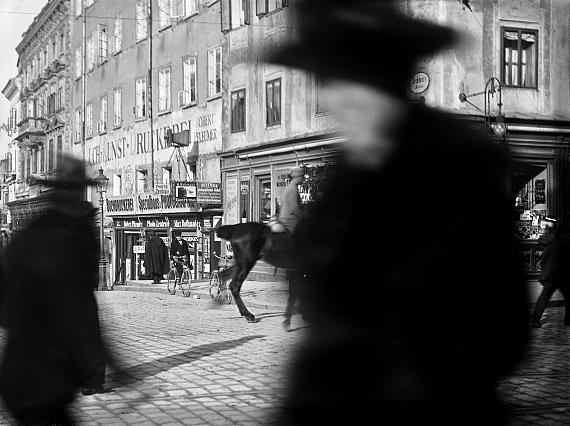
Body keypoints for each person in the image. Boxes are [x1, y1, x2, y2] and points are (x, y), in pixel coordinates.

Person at [265, 1, 529, 425]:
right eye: (325, 80)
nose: (330, 97)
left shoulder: (459, 163)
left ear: (386, 77)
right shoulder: (349, 171)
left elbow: (499, 329)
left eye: (343, 80)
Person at [0, 154, 108, 424]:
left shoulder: (27, 235)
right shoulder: (70, 240)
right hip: (46, 379)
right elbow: (80, 311)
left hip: (19, 373)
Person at [530, 217, 570, 327]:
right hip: (559, 273)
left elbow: (542, 245)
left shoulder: (552, 241)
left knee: (545, 296)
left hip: (551, 274)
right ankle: (568, 319)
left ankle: (535, 318)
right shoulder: (561, 242)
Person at [274, 166, 305, 234]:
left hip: (285, 219)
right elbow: (294, 208)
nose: (303, 179)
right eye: (302, 177)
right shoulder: (293, 189)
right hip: (290, 221)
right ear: (298, 177)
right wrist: (303, 217)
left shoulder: (290, 187)